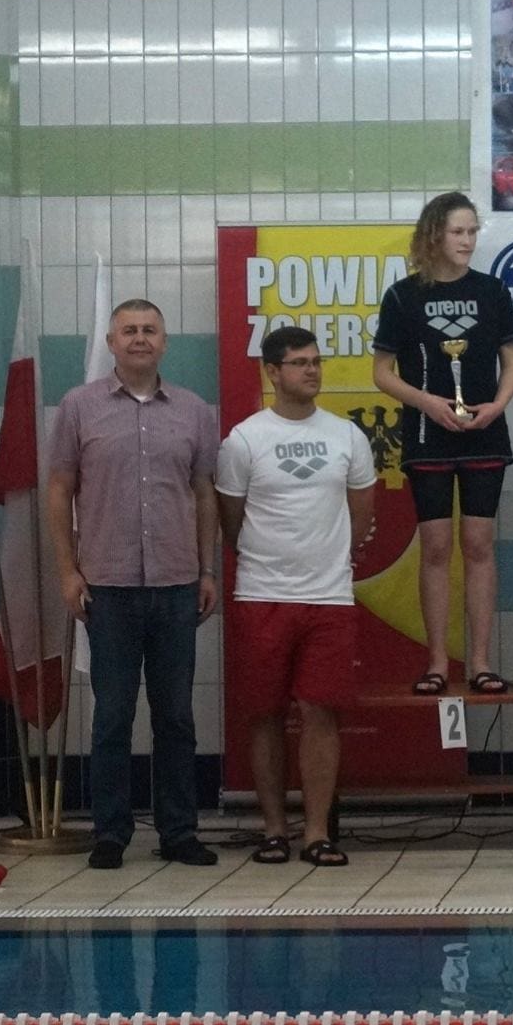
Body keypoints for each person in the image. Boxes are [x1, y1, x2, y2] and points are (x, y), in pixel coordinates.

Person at [45, 299, 220, 870]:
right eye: (129, 331)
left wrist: (207, 570)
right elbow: (59, 490)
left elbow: (204, 494)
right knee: (113, 717)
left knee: (176, 718)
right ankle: (110, 834)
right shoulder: (79, 407)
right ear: (111, 342)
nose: (140, 338)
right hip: (108, 586)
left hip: (176, 585)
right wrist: (68, 571)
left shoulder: (194, 411)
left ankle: (179, 832)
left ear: (164, 342)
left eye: (149, 330)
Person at [217, 326, 376, 870]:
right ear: (272, 371)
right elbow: (232, 522)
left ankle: (316, 834)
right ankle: (273, 830)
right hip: (262, 594)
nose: (312, 370)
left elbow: (362, 516)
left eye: (316, 361)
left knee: (320, 712)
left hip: (329, 598)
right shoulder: (243, 440)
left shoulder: (347, 436)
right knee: (264, 713)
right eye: (299, 363)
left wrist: (329, 559)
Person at [372, 193, 513, 696]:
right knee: (435, 547)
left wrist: (497, 405)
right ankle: (437, 661)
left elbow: (511, 364)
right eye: (458, 231)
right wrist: (427, 403)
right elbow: (382, 373)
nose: (467, 240)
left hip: (484, 433)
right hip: (426, 435)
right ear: (434, 233)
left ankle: (480, 662)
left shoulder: (493, 290)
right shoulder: (402, 296)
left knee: (478, 543)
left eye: (473, 231)